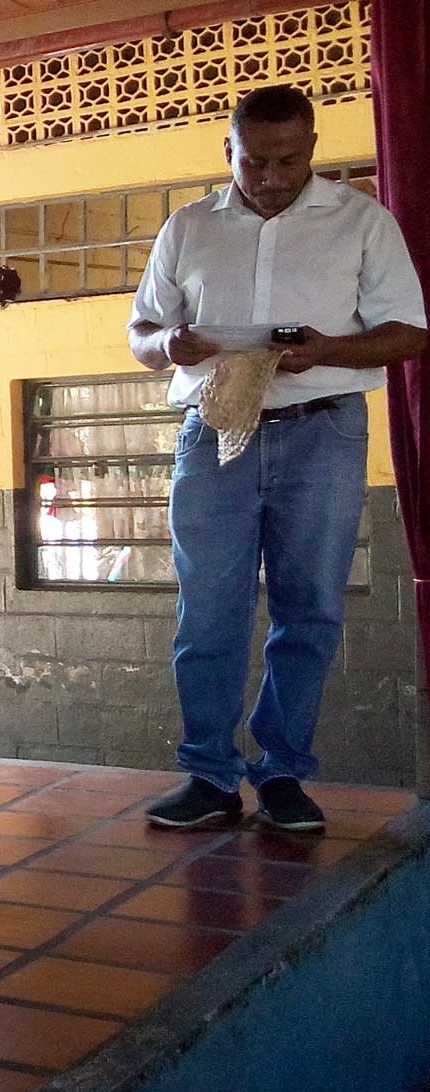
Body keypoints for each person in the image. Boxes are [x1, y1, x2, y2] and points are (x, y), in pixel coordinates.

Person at [128, 85, 426, 833]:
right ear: (227, 150)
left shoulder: (362, 221)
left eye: (288, 160)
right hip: (212, 430)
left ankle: (284, 772)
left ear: (313, 148)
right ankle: (208, 775)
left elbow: (409, 332)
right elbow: (140, 330)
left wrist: (327, 351)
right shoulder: (189, 227)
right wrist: (169, 345)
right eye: (253, 160)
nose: (269, 175)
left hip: (322, 429)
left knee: (310, 607)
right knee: (209, 608)